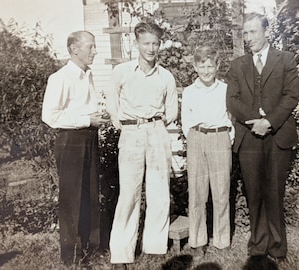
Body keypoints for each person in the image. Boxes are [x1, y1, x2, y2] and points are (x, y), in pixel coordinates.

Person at [226, 13, 299, 267]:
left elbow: (291, 96)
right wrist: (254, 122)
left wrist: (269, 122)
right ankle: (258, 247)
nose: (248, 39)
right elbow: (232, 100)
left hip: (278, 136)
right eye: (245, 33)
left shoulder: (286, 60)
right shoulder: (237, 65)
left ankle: (278, 249)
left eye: (253, 32)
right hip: (249, 137)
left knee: (274, 192)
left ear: (266, 31)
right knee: (254, 192)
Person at [105, 22, 178, 269]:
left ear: (160, 45)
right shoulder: (122, 72)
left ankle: (155, 246)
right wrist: (120, 123)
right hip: (131, 132)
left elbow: (172, 109)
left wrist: (155, 124)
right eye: (146, 43)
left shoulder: (165, 76)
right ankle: (121, 253)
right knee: (129, 192)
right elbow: (112, 101)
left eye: (155, 43)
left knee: (159, 189)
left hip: (157, 131)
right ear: (137, 44)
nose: (151, 48)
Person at [42, 31, 110, 265]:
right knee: (72, 198)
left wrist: (96, 118)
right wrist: (86, 120)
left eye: (94, 47)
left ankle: (92, 249)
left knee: (90, 194)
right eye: (90, 47)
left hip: (89, 138)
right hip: (70, 141)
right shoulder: (60, 78)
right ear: (74, 49)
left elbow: (84, 109)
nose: (95, 51)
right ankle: (71, 256)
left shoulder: (87, 75)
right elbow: (50, 116)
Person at [181, 46, 234, 258]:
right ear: (195, 66)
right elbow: (185, 120)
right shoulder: (189, 92)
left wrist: (226, 138)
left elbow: (232, 117)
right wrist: (194, 137)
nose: (206, 70)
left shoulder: (225, 89)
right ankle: (197, 241)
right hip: (197, 138)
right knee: (197, 192)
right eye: (201, 66)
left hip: (220, 138)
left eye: (210, 66)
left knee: (221, 192)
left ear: (217, 66)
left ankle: (222, 240)